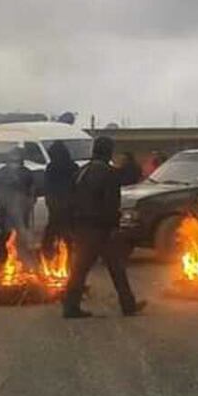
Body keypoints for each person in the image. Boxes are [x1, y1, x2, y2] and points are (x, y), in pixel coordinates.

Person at [63, 136, 146, 319]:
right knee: (115, 267)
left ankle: (70, 306)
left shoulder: (81, 171)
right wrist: (115, 226)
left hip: (82, 226)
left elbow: (70, 200)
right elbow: (111, 203)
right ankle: (128, 305)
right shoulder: (108, 173)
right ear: (108, 151)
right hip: (101, 228)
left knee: (80, 269)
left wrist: (71, 225)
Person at [0, 147, 36, 261]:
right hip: (6, 209)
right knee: (6, 233)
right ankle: (3, 257)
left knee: (21, 233)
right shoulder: (2, 172)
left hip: (22, 209)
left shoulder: (26, 172)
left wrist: (31, 201)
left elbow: (32, 189)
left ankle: (21, 257)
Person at [42, 140, 78, 256]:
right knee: (67, 231)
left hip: (59, 203)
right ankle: (65, 254)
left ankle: (48, 252)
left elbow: (47, 185)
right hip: (67, 203)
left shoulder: (51, 167)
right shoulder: (73, 166)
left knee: (53, 230)